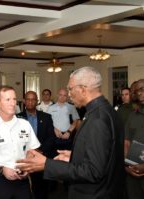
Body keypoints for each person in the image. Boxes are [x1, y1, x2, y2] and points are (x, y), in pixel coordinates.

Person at [17, 66, 125, 199]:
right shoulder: (106, 111)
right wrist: (75, 157)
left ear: (83, 89)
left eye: (70, 89)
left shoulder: (98, 119)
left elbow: (93, 172)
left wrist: (47, 164)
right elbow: (104, 157)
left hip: (96, 194)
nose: (69, 94)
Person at [17, 91, 55, 199]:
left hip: (41, 158)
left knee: (41, 189)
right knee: (23, 189)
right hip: (23, 158)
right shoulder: (17, 118)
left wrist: (40, 151)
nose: (30, 102)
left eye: (33, 99)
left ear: (37, 101)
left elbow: (51, 137)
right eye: (27, 99)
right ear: (24, 101)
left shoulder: (46, 117)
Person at [124, 79, 144, 199]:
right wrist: (127, 166)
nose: (140, 93)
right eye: (137, 91)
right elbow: (126, 142)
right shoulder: (133, 114)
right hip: (133, 171)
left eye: (143, 89)